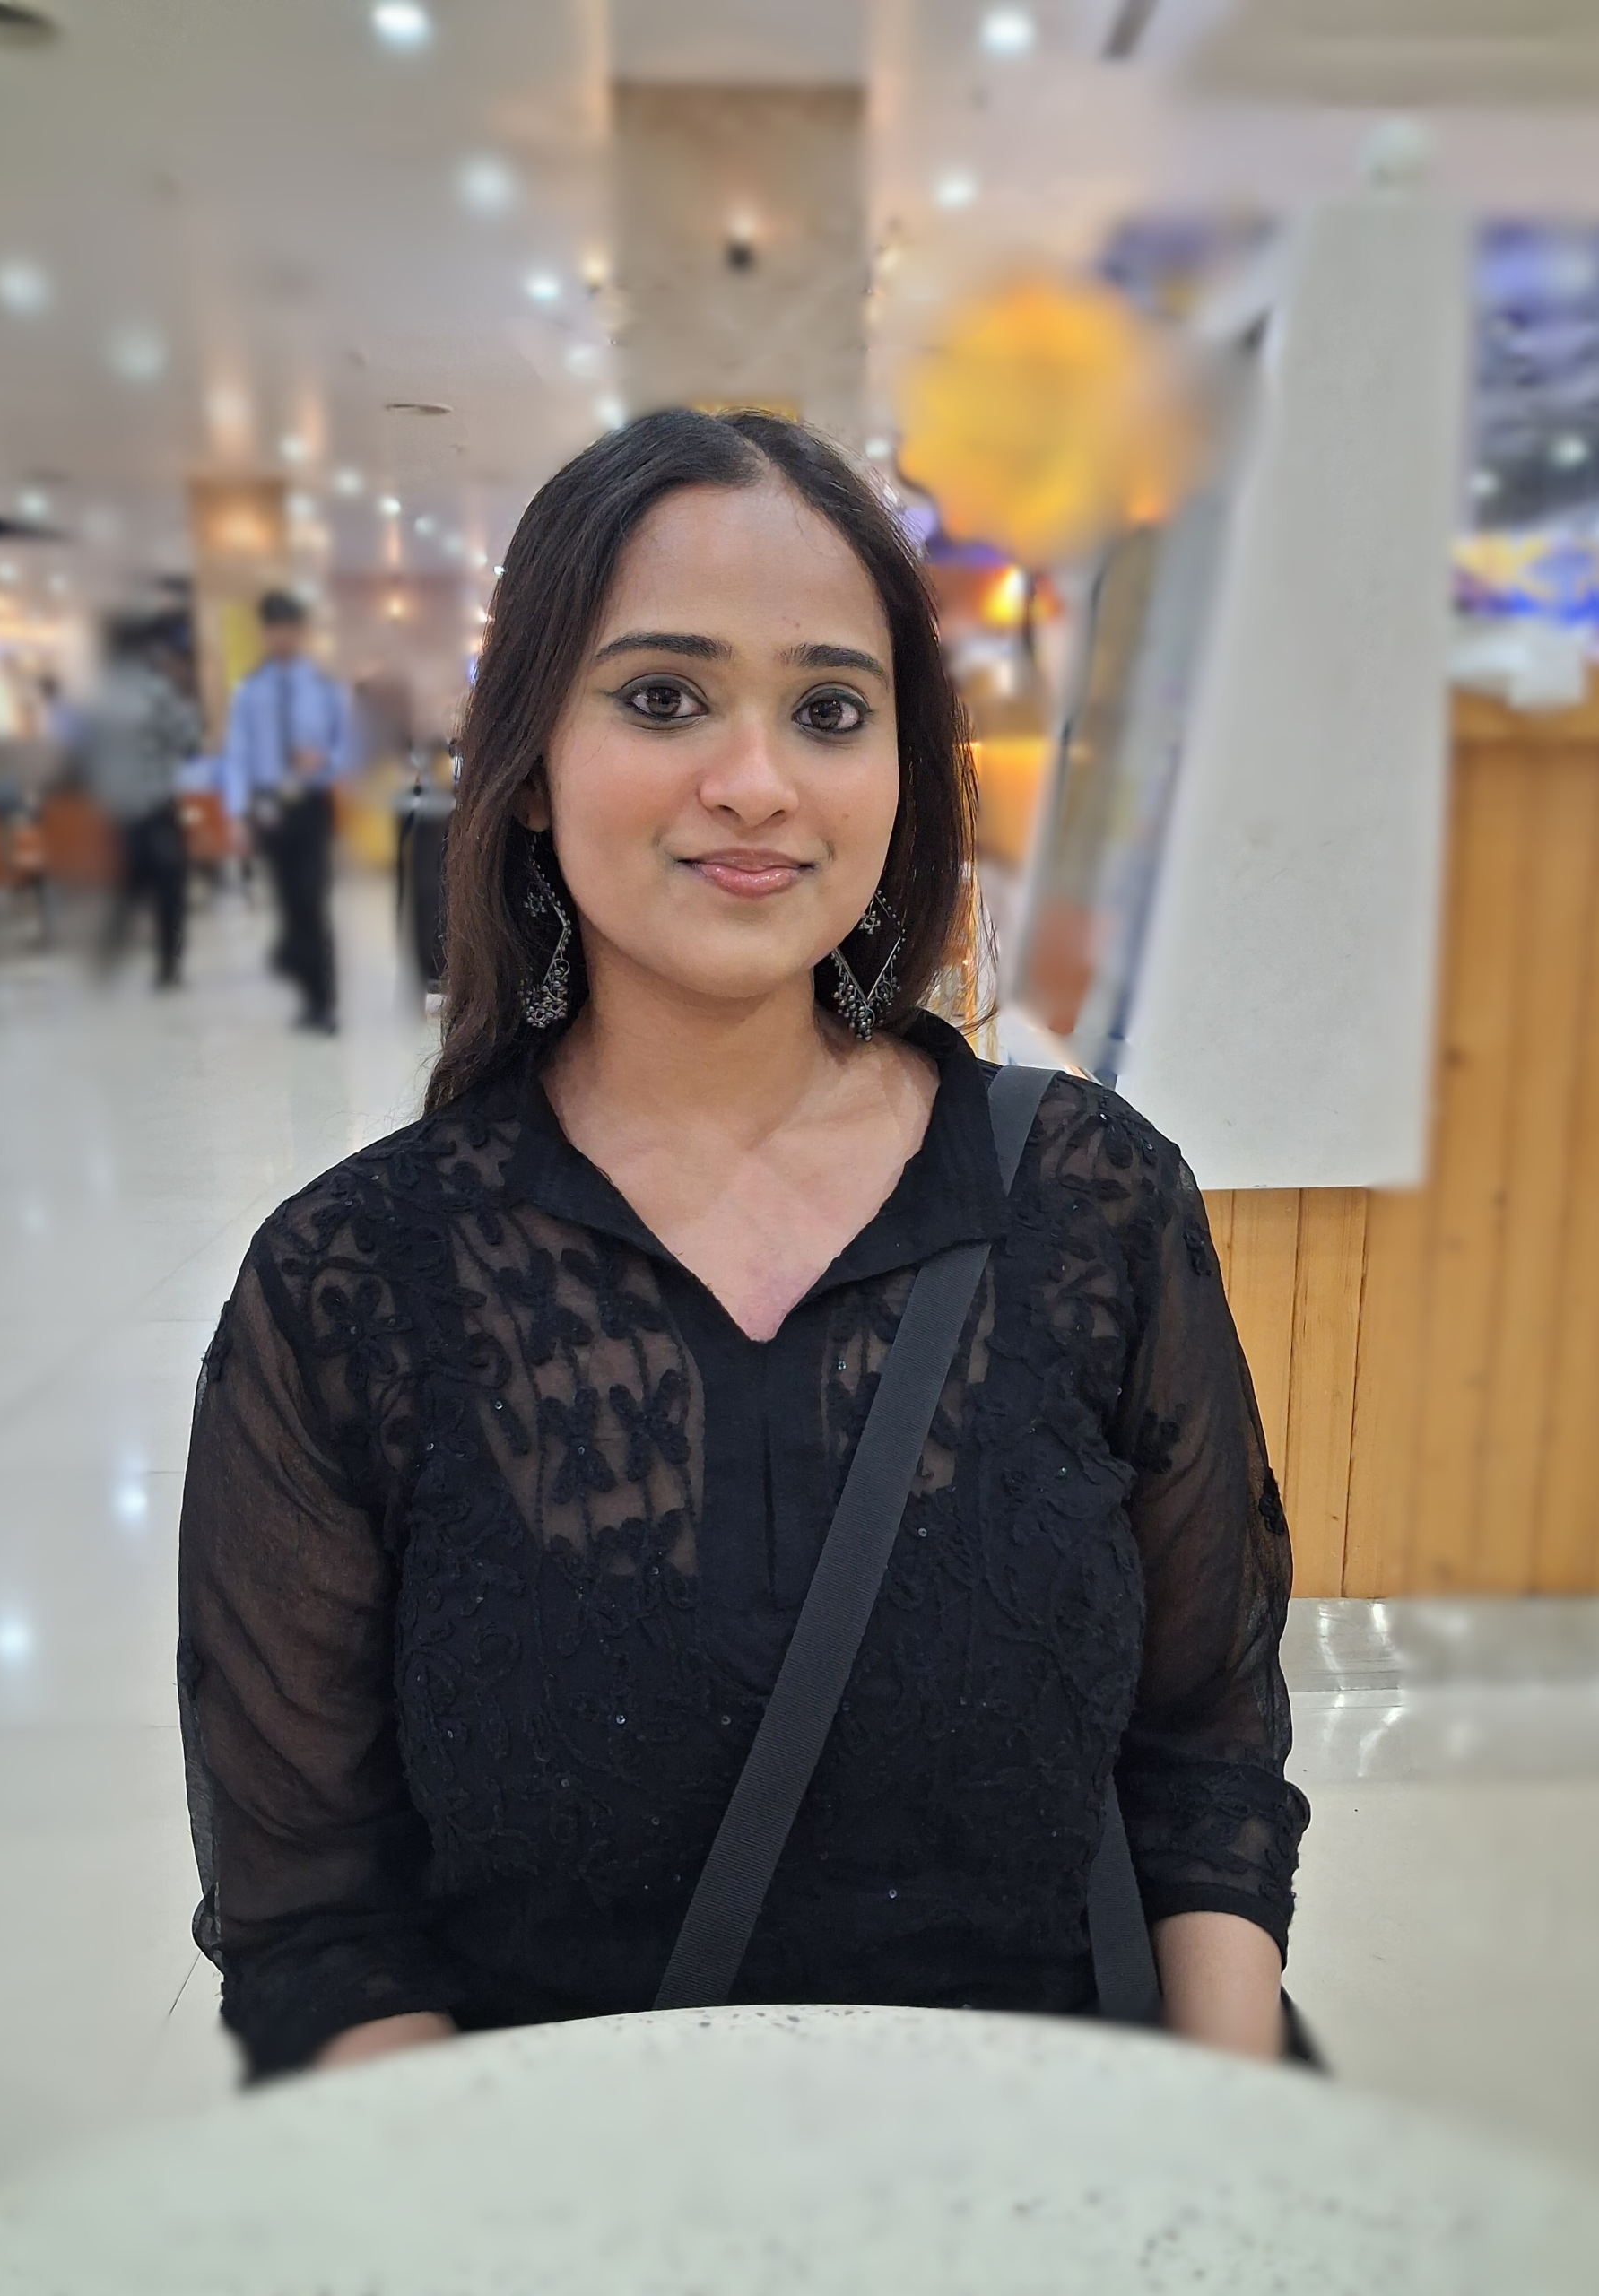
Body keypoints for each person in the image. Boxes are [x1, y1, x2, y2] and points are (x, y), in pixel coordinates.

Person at [178, 411, 1308, 2080]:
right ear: (530, 761)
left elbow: (1206, 1763)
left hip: (1060, 2181)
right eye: (662, 698)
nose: (758, 781)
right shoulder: (350, 1284)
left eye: (831, 711)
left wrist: (1215, 2161)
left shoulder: (1094, 1203)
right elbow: (316, 1919)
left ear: (904, 770)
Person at [223, 591, 348, 1032]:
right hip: (269, 806)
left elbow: (347, 746)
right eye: (272, 628)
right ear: (264, 633)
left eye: (287, 628)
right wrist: (237, 814)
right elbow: (237, 753)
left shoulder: (322, 688)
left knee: (312, 897)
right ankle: (303, 980)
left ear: (299, 632)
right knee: (289, 901)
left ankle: (323, 1000)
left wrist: (326, 761)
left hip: (310, 806)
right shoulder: (250, 691)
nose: (280, 636)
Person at [84, 615, 203, 988]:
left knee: (123, 887)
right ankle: (168, 965)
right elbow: (188, 738)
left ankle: (107, 957)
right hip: (154, 806)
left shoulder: (98, 696)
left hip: (114, 810)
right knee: (169, 889)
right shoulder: (156, 690)